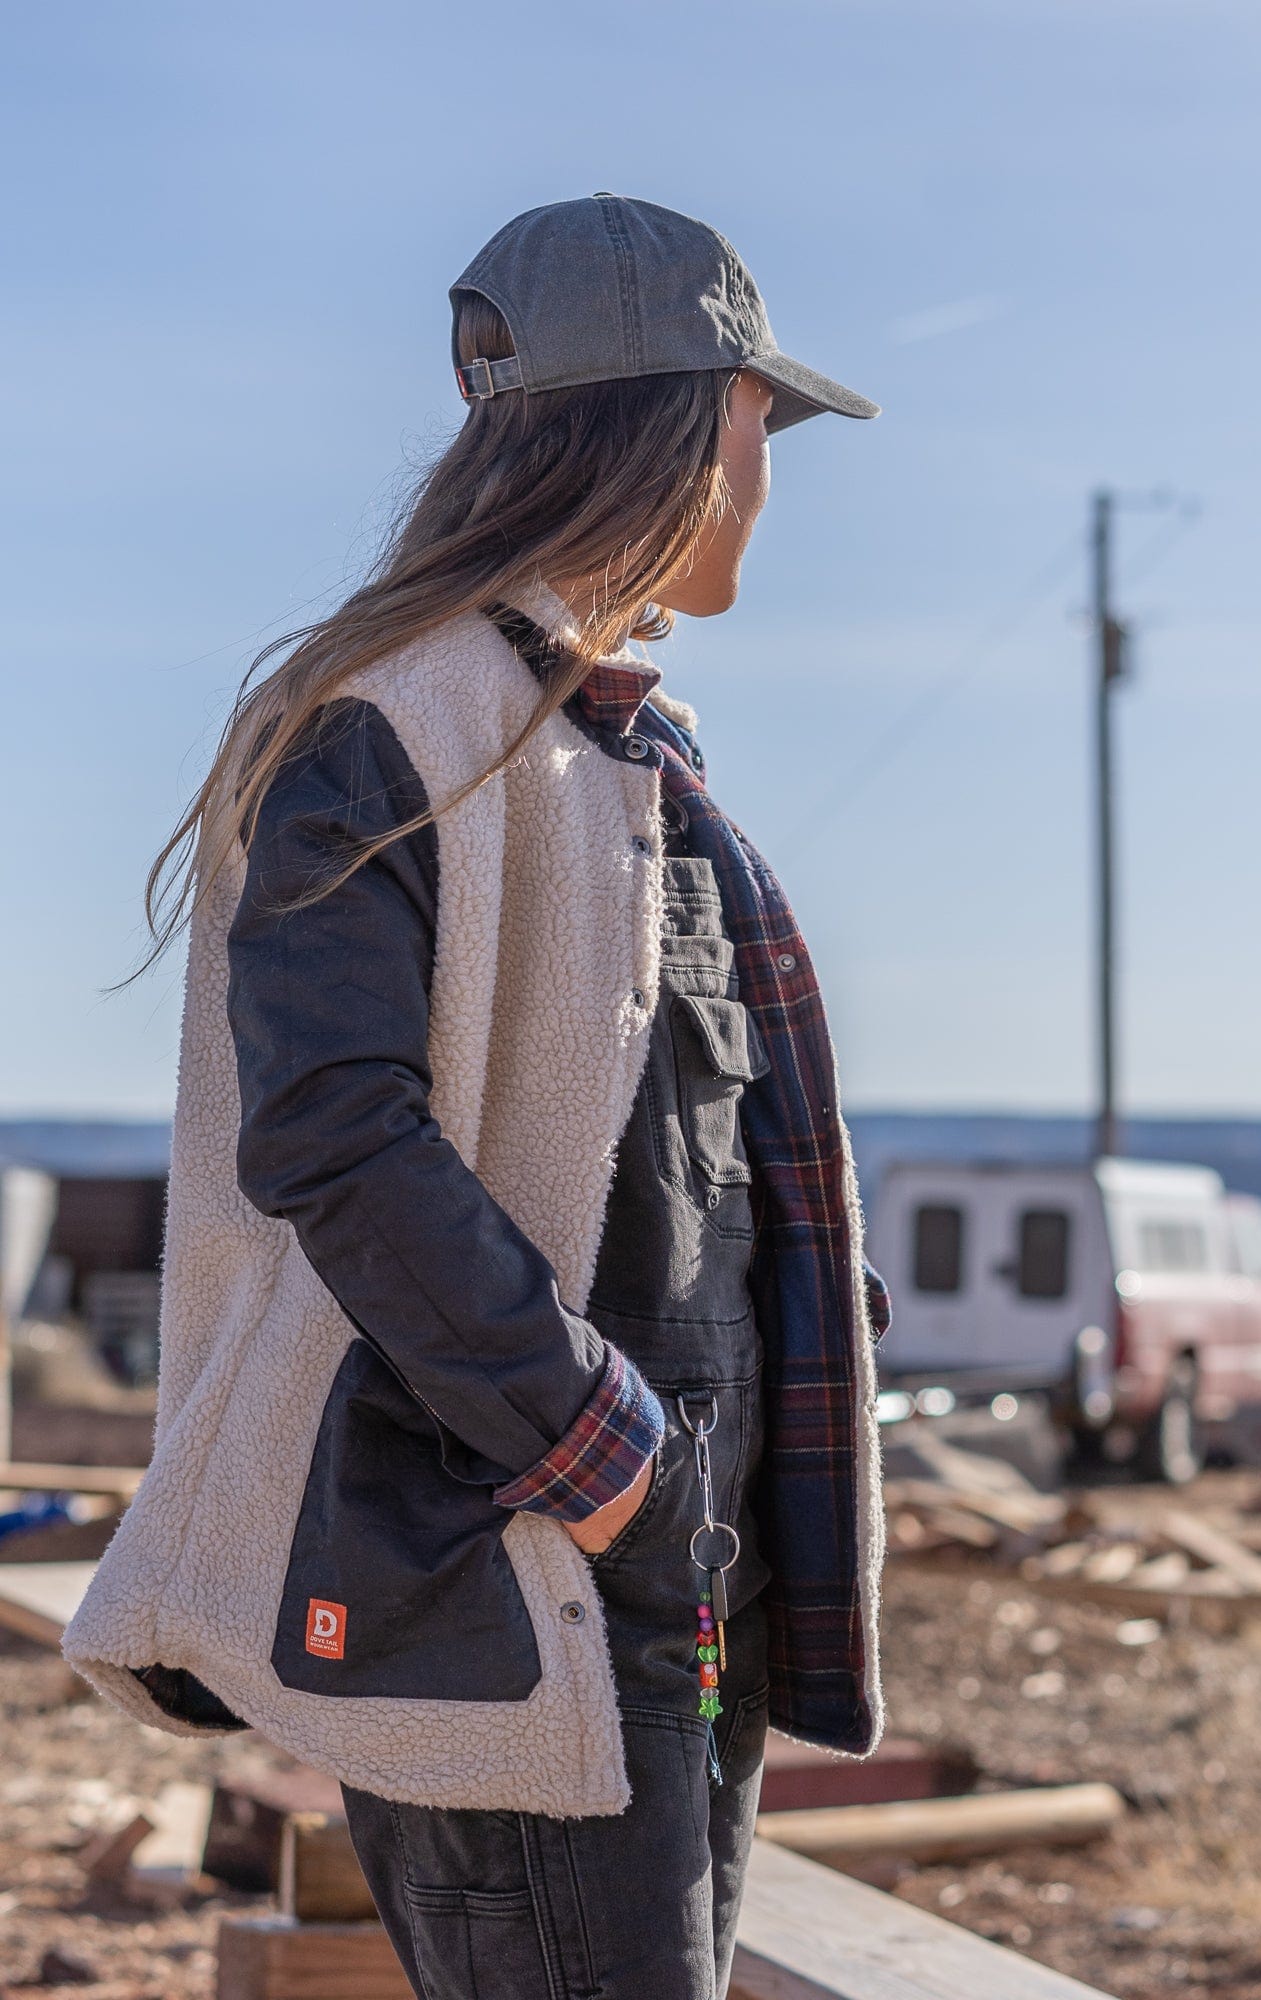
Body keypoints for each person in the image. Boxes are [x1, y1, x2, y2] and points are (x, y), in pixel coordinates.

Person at [65, 194, 892, 2000]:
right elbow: (337, 1143)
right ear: (675, 423)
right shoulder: (392, 721)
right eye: (761, 423)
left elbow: (670, 1175)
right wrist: (614, 1471)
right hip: (526, 1557)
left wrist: (697, 1489)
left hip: (670, 1562)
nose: (770, 471)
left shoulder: (606, 735)